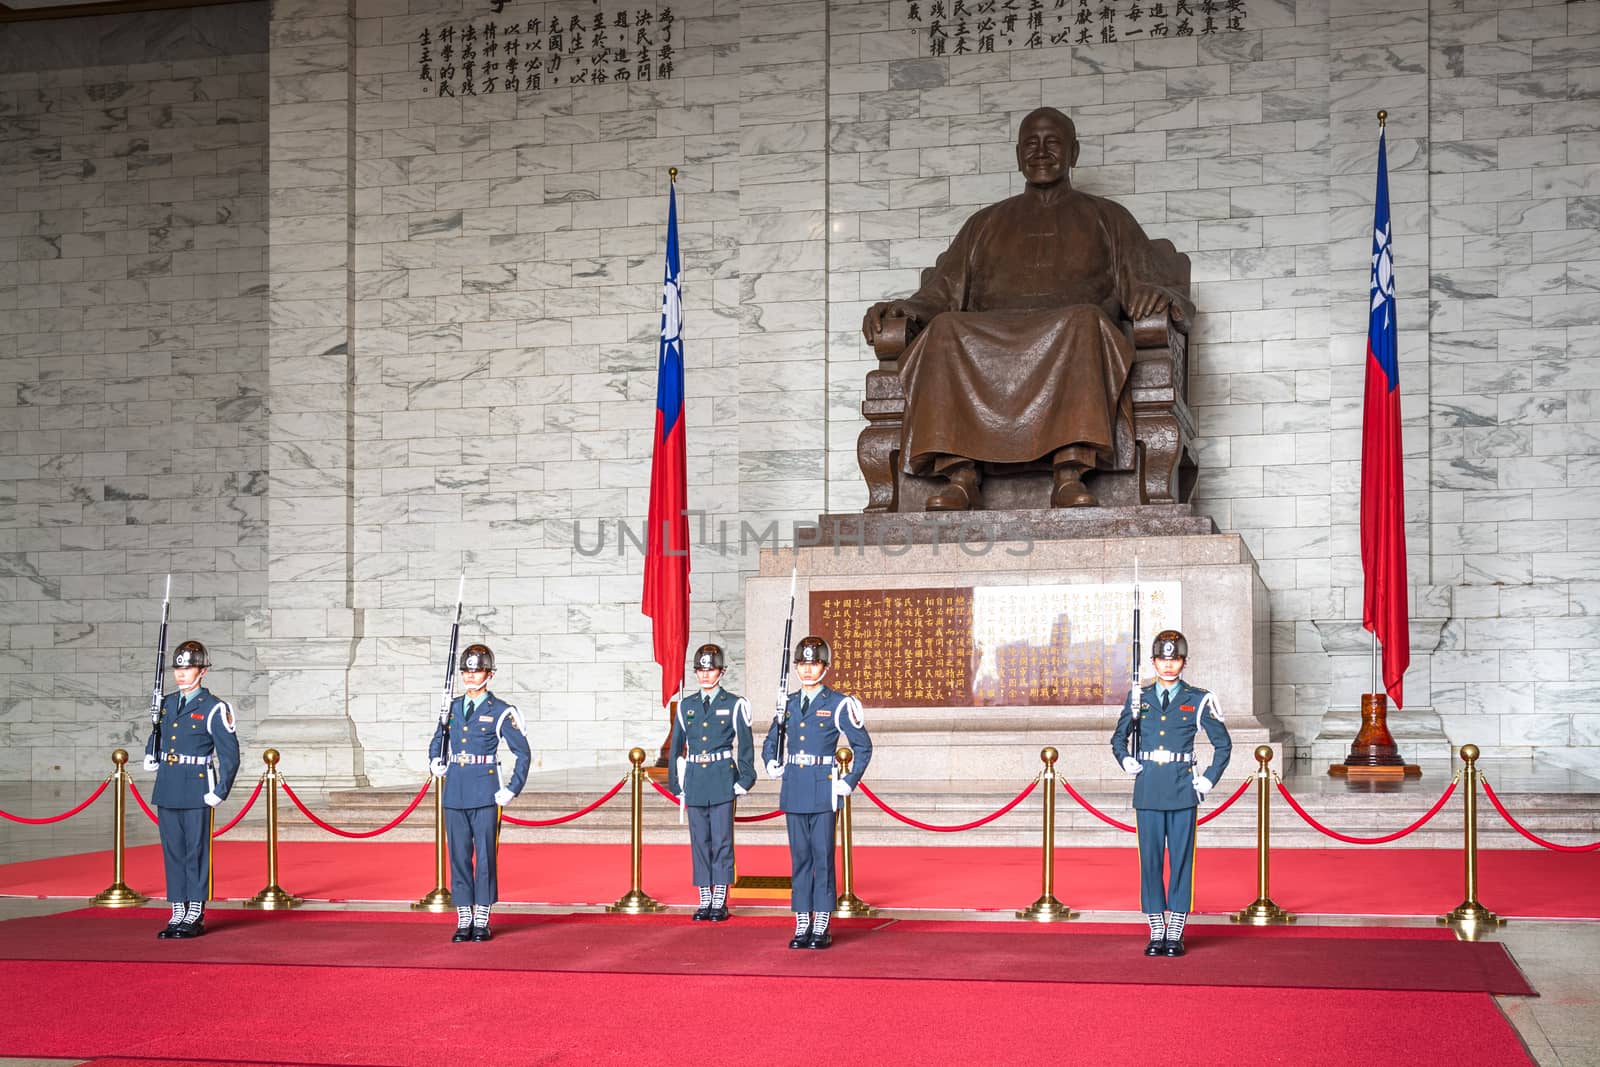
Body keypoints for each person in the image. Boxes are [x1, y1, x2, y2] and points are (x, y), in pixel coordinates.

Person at [861, 106, 1192, 511]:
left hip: (1070, 332)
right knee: (945, 328)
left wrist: (1154, 294)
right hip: (990, 335)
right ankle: (961, 474)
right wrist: (903, 309)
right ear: (1018, 155)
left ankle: (1069, 472)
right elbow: (942, 291)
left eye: (1052, 142)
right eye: (1030, 144)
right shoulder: (984, 223)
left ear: (1074, 152)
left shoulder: (1109, 217)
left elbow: (1150, 282)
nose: (1041, 152)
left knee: (1086, 320)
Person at [1109, 629, 1231, 957]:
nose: (1168, 665)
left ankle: (1175, 928)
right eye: (1162, 659)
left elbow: (1223, 745)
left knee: (1181, 861)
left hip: (1181, 790)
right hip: (1148, 788)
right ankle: (1156, 927)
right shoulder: (1138, 697)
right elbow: (1118, 738)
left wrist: (1208, 779)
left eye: (1174, 659)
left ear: (1184, 663)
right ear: (1152, 662)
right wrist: (1125, 760)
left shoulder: (1198, 699)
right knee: (1149, 862)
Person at [760, 636, 872, 950]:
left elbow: (862, 747)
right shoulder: (789, 703)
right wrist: (771, 761)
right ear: (795, 666)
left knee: (822, 856)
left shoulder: (837, 704)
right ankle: (802, 920)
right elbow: (771, 741)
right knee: (800, 858)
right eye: (802, 664)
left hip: (824, 788)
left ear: (825, 666)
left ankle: (821, 918)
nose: (807, 670)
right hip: (794, 785)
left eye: (814, 663)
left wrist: (848, 782)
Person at [427, 643, 531, 942]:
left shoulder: (500, 711)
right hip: (455, 789)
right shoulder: (452, 707)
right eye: (466, 671)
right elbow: (439, 739)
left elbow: (523, 753)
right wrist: (435, 759)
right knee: (458, 855)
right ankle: (464, 915)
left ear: (490, 674)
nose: (470, 677)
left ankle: (482, 914)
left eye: (477, 671)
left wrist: (512, 788)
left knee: (485, 856)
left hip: (486, 791)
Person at [143, 640, 240, 940]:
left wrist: (221, 790)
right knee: (173, 851)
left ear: (203, 671)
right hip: (169, 784)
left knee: (196, 851)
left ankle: (195, 911)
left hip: (198, 787)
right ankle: (177, 910)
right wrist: (151, 751)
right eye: (178, 668)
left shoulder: (214, 708)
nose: (182, 674)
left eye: (188, 668)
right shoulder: (168, 703)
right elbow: (159, 733)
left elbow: (230, 755)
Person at [667, 643, 757, 921]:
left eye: (711, 669)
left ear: (722, 671)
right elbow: (676, 747)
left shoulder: (734, 704)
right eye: (700, 670)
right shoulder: (686, 706)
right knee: (700, 841)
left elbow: (745, 746)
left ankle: (720, 898)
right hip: (695, 778)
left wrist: (745, 778)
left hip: (721, 778)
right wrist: (676, 782)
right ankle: (704, 896)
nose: (705, 675)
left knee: (721, 840)